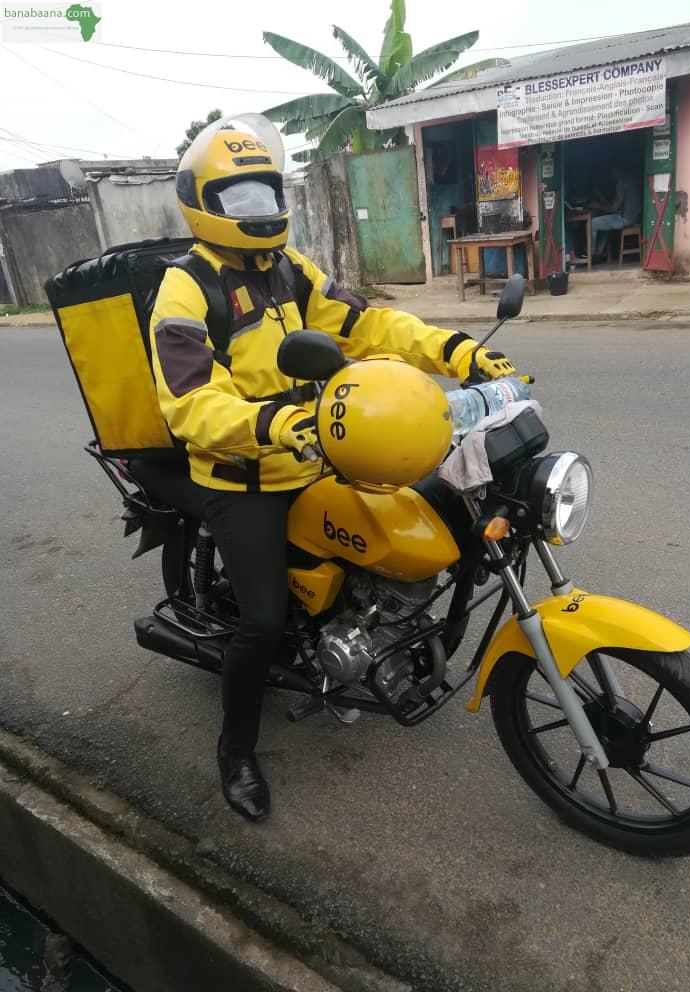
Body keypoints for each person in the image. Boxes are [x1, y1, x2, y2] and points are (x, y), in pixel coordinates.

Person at [149, 113, 517, 822]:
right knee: (261, 621)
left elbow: (367, 325)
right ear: (203, 203)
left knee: (423, 506)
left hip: (319, 448)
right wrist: (274, 424)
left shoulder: (290, 270)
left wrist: (455, 351)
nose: (259, 211)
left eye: (265, 194)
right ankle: (236, 750)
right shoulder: (186, 288)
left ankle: (372, 637)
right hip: (244, 476)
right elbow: (190, 400)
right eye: (239, 198)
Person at [590, 163, 642, 257]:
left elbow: (613, 209)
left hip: (625, 219)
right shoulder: (633, 180)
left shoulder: (622, 183)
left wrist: (598, 206)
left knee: (593, 223)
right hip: (636, 218)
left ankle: (592, 253)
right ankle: (599, 250)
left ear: (617, 171)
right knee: (605, 222)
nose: (611, 175)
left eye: (612, 172)